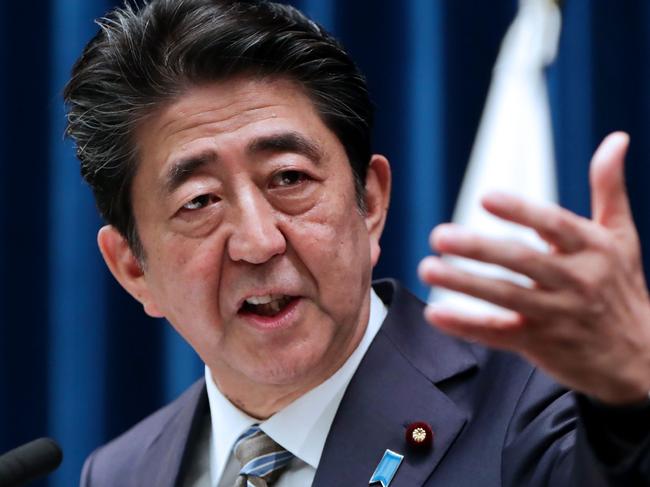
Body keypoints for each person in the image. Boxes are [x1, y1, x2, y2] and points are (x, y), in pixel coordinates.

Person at [64, 0, 650, 485]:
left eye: (289, 179)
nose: (258, 241)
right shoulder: (117, 472)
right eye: (199, 202)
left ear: (369, 202)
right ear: (133, 269)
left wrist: (635, 394)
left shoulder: (537, 413)